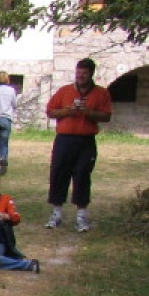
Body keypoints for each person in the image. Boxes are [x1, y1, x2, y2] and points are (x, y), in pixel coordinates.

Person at [45, 57, 113, 232]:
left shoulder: (100, 93)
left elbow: (106, 116)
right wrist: (68, 111)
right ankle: (56, 213)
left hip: (86, 141)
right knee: (59, 173)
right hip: (64, 139)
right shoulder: (64, 91)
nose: (80, 76)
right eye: (78, 72)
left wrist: (89, 113)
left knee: (82, 174)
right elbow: (50, 111)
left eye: (84, 73)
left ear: (91, 74)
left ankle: (82, 215)